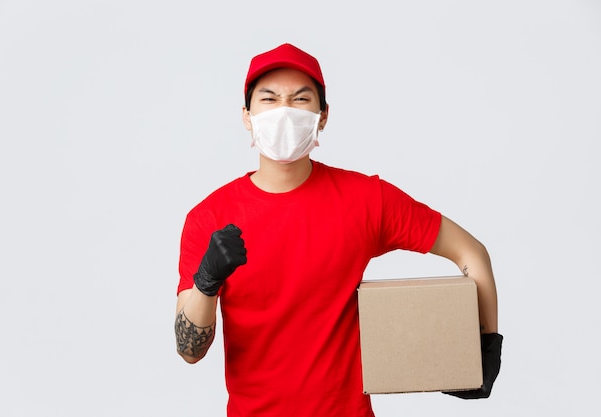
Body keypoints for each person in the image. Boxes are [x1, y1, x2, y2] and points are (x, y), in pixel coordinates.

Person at [174, 43, 503, 417]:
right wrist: (207, 280)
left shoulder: (366, 200)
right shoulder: (209, 218)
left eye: (300, 99)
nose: (283, 111)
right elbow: (190, 351)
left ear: (323, 115)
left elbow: (471, 253)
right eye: (269, 99)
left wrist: (486, 344)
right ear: (247, 115)